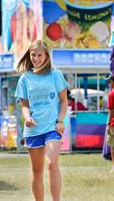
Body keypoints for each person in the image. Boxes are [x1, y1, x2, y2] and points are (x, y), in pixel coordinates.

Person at [15, 40, 69, 201]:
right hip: (33, 129)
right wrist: (27, 118)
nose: (36, 58)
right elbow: (24, 105)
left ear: (46, 56)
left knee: (52, 164)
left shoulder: (55, 75)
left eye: (39, 55)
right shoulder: (25, 79)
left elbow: (64, 100)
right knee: (37, 171)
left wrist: (60, 121)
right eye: (33, 55)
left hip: (52, 127)